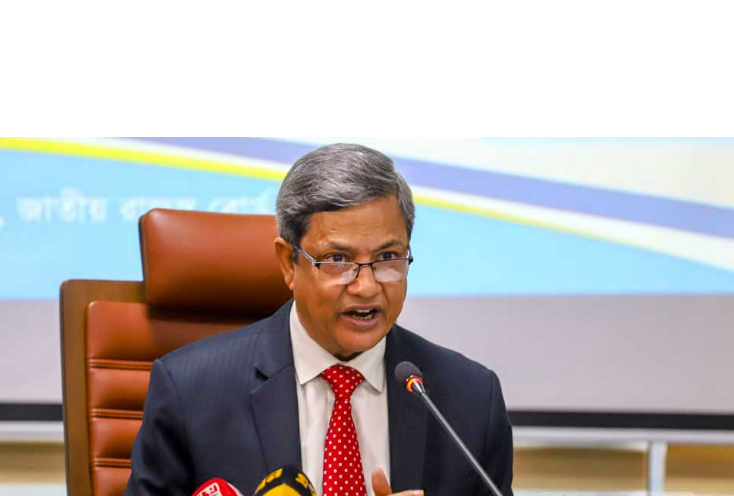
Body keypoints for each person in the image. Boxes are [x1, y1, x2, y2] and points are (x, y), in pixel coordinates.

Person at [125, 144, 513, 496]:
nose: (366, 287)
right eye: (338, 260)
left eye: (387, 258)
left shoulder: (469, 401)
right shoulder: (191, 392)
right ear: (287, 263)